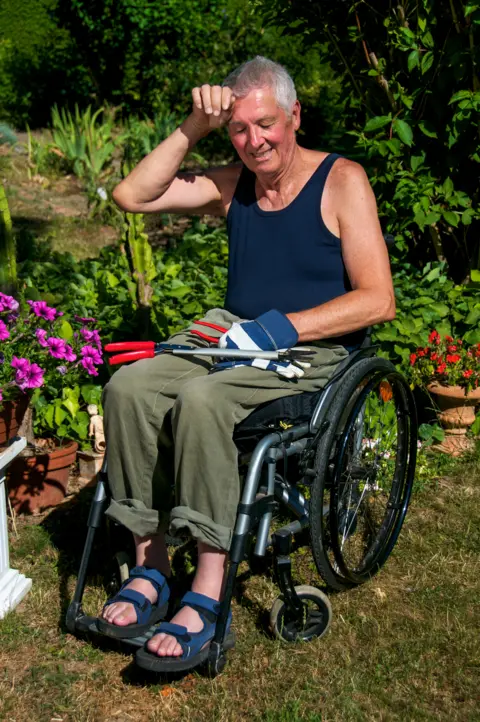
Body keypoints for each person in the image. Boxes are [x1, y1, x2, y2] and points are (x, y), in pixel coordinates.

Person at [98, 56, 395, 671]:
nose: (254, 141)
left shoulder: (342, 181)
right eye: (238, 129)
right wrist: (192, 128)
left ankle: (208, 586)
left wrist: (281, 327)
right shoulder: (235, 184)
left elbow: (378, 298)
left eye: (266, 124)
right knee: (129, 386)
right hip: (231, 334)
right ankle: (152, 565)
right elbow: (131, 195)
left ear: (293, 116)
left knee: (204, 402)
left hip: (309, 346)